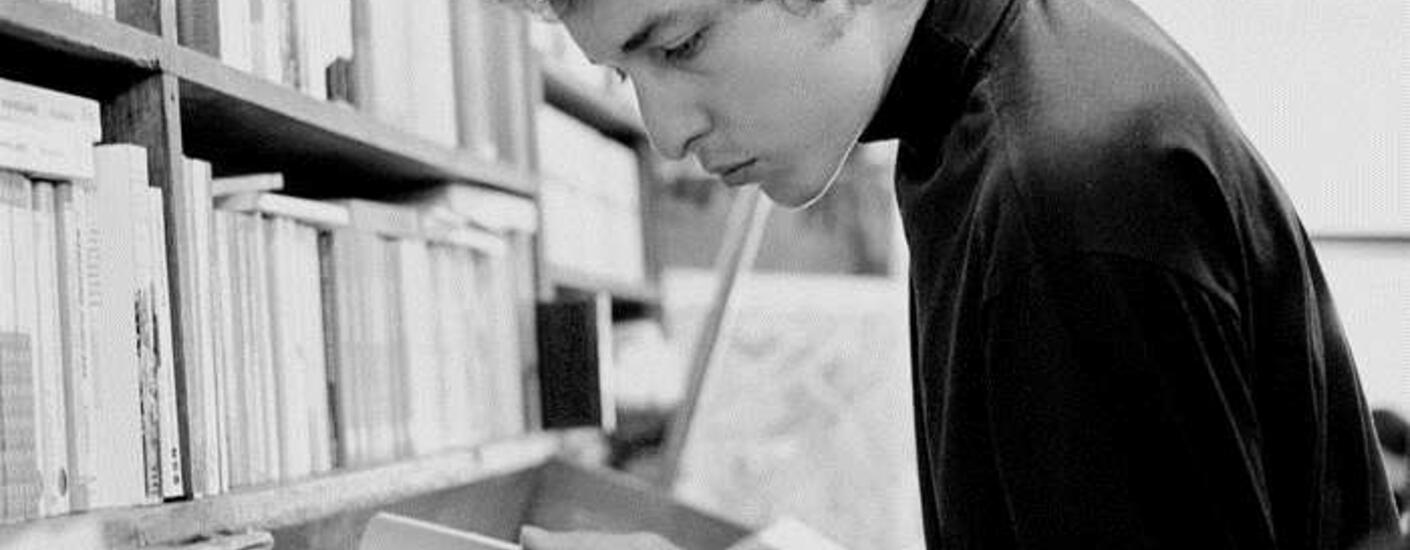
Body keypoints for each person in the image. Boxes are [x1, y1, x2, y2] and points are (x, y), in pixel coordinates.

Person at [517, 0, 1403, 547]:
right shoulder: (1005, 82)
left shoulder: (1054, 196)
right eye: (621, 72)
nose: (664, 132)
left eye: (676, 45)